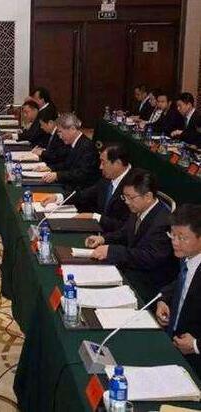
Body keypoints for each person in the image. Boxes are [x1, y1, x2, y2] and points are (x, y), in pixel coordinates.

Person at [85, 168, 177, 298]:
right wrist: (104, 239)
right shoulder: (138, 208)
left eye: (131, 197)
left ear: (148, 197)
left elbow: (149, 257)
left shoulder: (163, 222)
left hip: (147, 282)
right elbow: (125, 232)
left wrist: (112, 251)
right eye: (125, 197)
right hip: (131, 267)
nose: (127, 202)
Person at [41, 144, 131, 232]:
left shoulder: (133, 184)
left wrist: (95, 217)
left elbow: (125, 226)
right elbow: (84, 194)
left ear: (117, 163)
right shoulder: (107, 179)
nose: (100, 167)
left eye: (103, 162)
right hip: (97, 231)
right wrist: (58, 197)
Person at [156, 204, 201, 378]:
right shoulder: (188, 256)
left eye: (182, 237)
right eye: (172, 235)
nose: (175, 242)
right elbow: (181, 281)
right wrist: (164, 300)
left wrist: (196, 345)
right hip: (174, 339)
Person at [36, 113, 101, 190]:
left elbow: (82, 173)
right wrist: (50, 168)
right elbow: (67, 164)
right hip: (71, 185)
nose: (59, 136)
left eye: (60, 132)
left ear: (72, 129)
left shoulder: (87, 147)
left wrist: (57, 175)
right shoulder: (73, 143)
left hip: (81, 190)